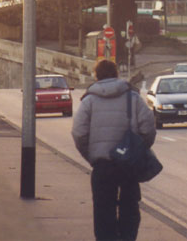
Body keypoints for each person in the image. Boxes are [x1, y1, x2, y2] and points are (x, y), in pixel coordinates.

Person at [72, 59, 156, 241]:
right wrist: (138, 150)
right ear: (116, 74)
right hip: (128, 165)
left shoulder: (89, 101)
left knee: (103, 211)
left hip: (102, 166)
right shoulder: (132, 98)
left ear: (97, 75)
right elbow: (148, 128)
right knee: (130, 208)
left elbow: (79, 133)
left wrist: (92, 155)